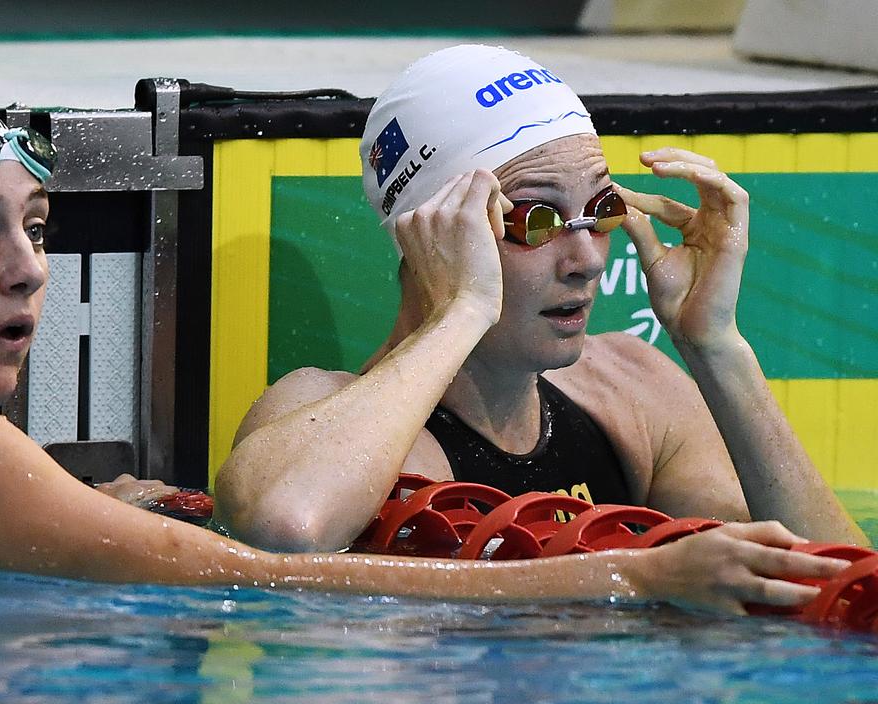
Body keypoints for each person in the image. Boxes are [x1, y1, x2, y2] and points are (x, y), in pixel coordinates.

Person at [0, 75, 849, 616]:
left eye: (34, 226)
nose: (29, 266)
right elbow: (272, 582)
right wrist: (628, 578)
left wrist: (64, 503)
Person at [214, 45, 868, 553]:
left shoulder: (635, 390)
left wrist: (716, 345)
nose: (585, 260)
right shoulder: (321, 416)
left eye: (601, 209)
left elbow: (836, 593)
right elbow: (283, 526)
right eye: (535, 219)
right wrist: (463, 311)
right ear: (433, 233)